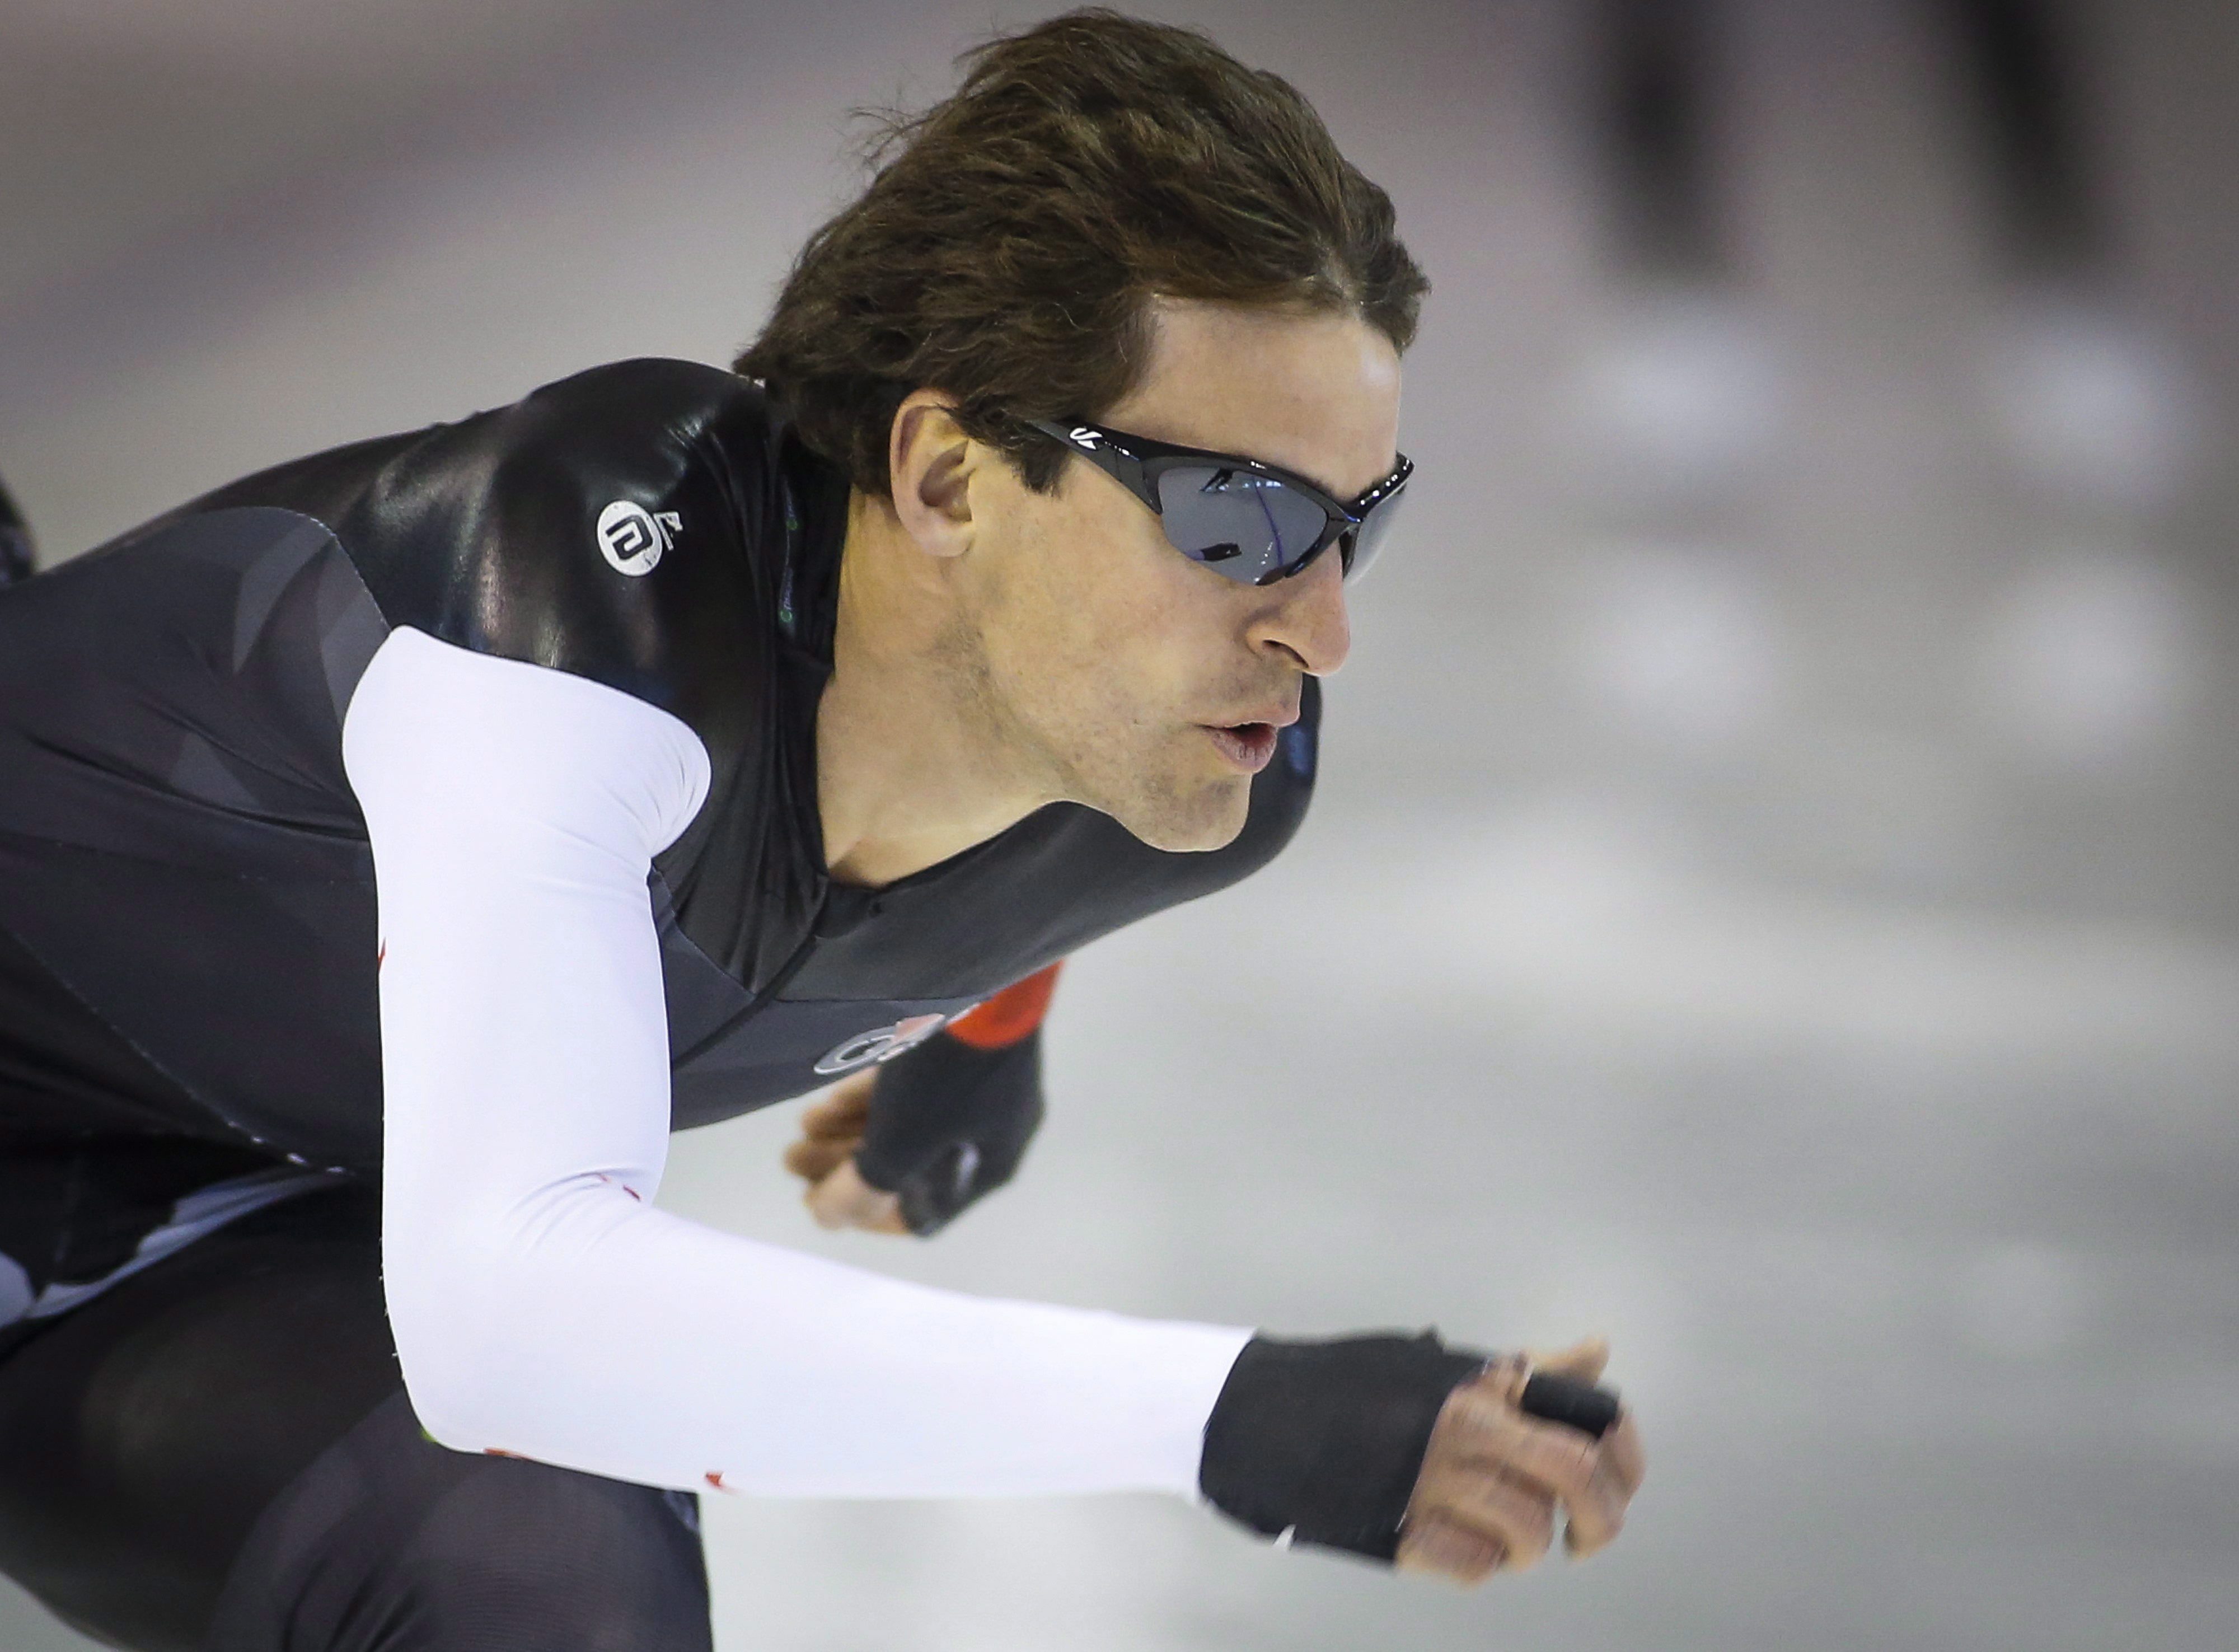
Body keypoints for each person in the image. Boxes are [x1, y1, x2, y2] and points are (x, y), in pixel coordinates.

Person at [0, 11, 1643, 1649]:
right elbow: (506, 1305)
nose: (1322, 630)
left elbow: (988, 836)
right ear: (945, 478)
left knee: (533, 1549)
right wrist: (1218, 1412)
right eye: (1245, 517)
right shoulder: (577, 610)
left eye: (1361, 521)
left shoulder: (1199, 782)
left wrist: (990, 1011)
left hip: (175, 1237)